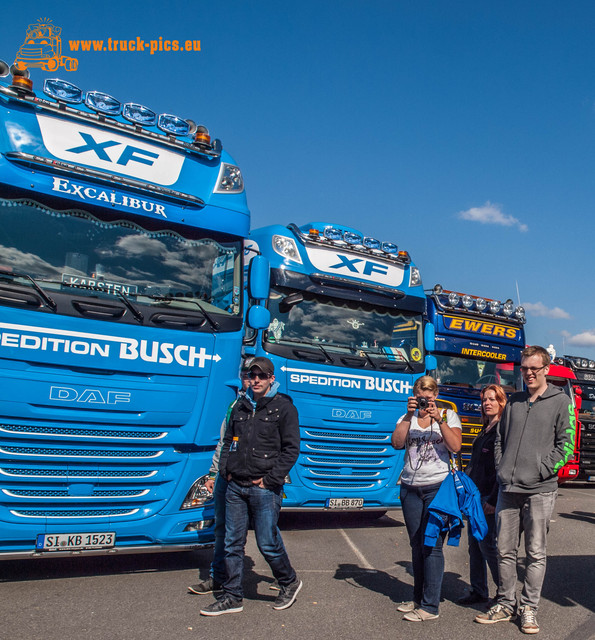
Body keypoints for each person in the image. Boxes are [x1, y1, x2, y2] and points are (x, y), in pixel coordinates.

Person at [475, 345, 573, 634]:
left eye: (534, 368)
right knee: (504, 550)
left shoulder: (560, 401)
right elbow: (499, 440)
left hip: (540, 490)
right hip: (509, 488)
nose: (528, 373)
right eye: (525, 368)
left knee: (535, 552)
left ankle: (529, 608)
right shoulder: (515, 402)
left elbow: (566, 446)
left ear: (546, 370)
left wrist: (541, 470)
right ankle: (506, 603)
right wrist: (503, 468)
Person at [200, 357, 302, 616]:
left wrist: (270, 480)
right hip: (236, 486)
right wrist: (225, 472)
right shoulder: (239, 406)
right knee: (232, 543)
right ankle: (232, 596)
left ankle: (289, 582)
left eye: (261, 375)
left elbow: (291, 450)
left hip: (264, 489)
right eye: (252, 374)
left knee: (267, 542)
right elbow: (227, 441)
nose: (256, 379)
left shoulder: (284, 408)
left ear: (271, 379)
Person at [391, 375, 462, 621]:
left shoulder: (447, 415)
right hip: (410, 486)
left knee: (432, 544)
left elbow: (455, 446)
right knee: (416, 544)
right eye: (421, 396)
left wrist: (438, 419)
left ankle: (430, 607)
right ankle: (417, 599)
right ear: (414, 394)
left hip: (437, 487)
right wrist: (410, 416)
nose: (425, 401)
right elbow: (397, 443)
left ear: (436, 395)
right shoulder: (406, 417)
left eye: (429, 396)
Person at [188, 359, 253, 595]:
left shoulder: (273, 405)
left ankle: (285, 578)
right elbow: (224, 442)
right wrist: (214, 473)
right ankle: (219, 578)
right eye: (246, 373)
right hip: (229, 477)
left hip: (257, 481)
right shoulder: (234, 405)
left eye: (256, 374)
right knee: (223, 529)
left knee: (267, 535)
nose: (251, 378)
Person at [457, 384, 505, 606]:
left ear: (501, 402)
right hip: (474, 498)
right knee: (475, 547)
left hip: (488, 499)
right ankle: (478, 590)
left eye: (492, 399)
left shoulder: (501, 431)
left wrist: (494, 500)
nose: (487, 403)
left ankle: (505, 593)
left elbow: (501, 469)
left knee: (488, 546)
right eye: (484, 400)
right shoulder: (484, 430)